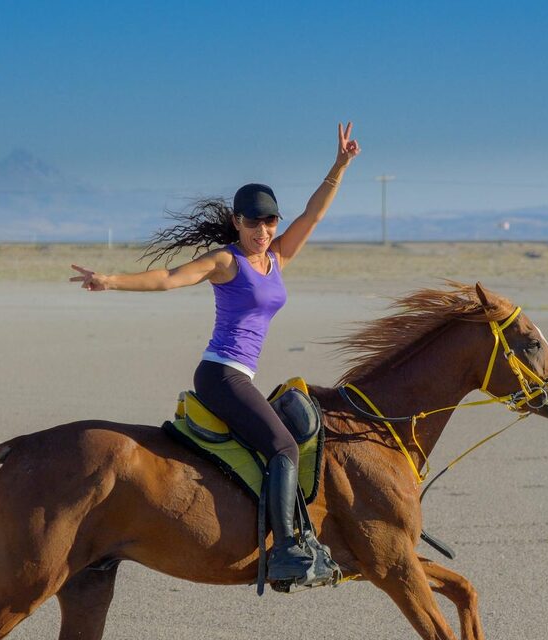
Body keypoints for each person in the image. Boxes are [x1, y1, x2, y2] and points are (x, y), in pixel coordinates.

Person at [70, 122, 360, 587]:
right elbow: (169, 278)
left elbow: (314, 214)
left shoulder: (277, 257)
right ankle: (287, 550)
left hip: (240, 374)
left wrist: (340, 165)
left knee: (291, 435)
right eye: (252, 222)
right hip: (222, 374)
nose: (262, 231)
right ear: (236, 223)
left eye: (270, 222)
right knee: (283, 444)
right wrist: (109, 280)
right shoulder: (227, 261)